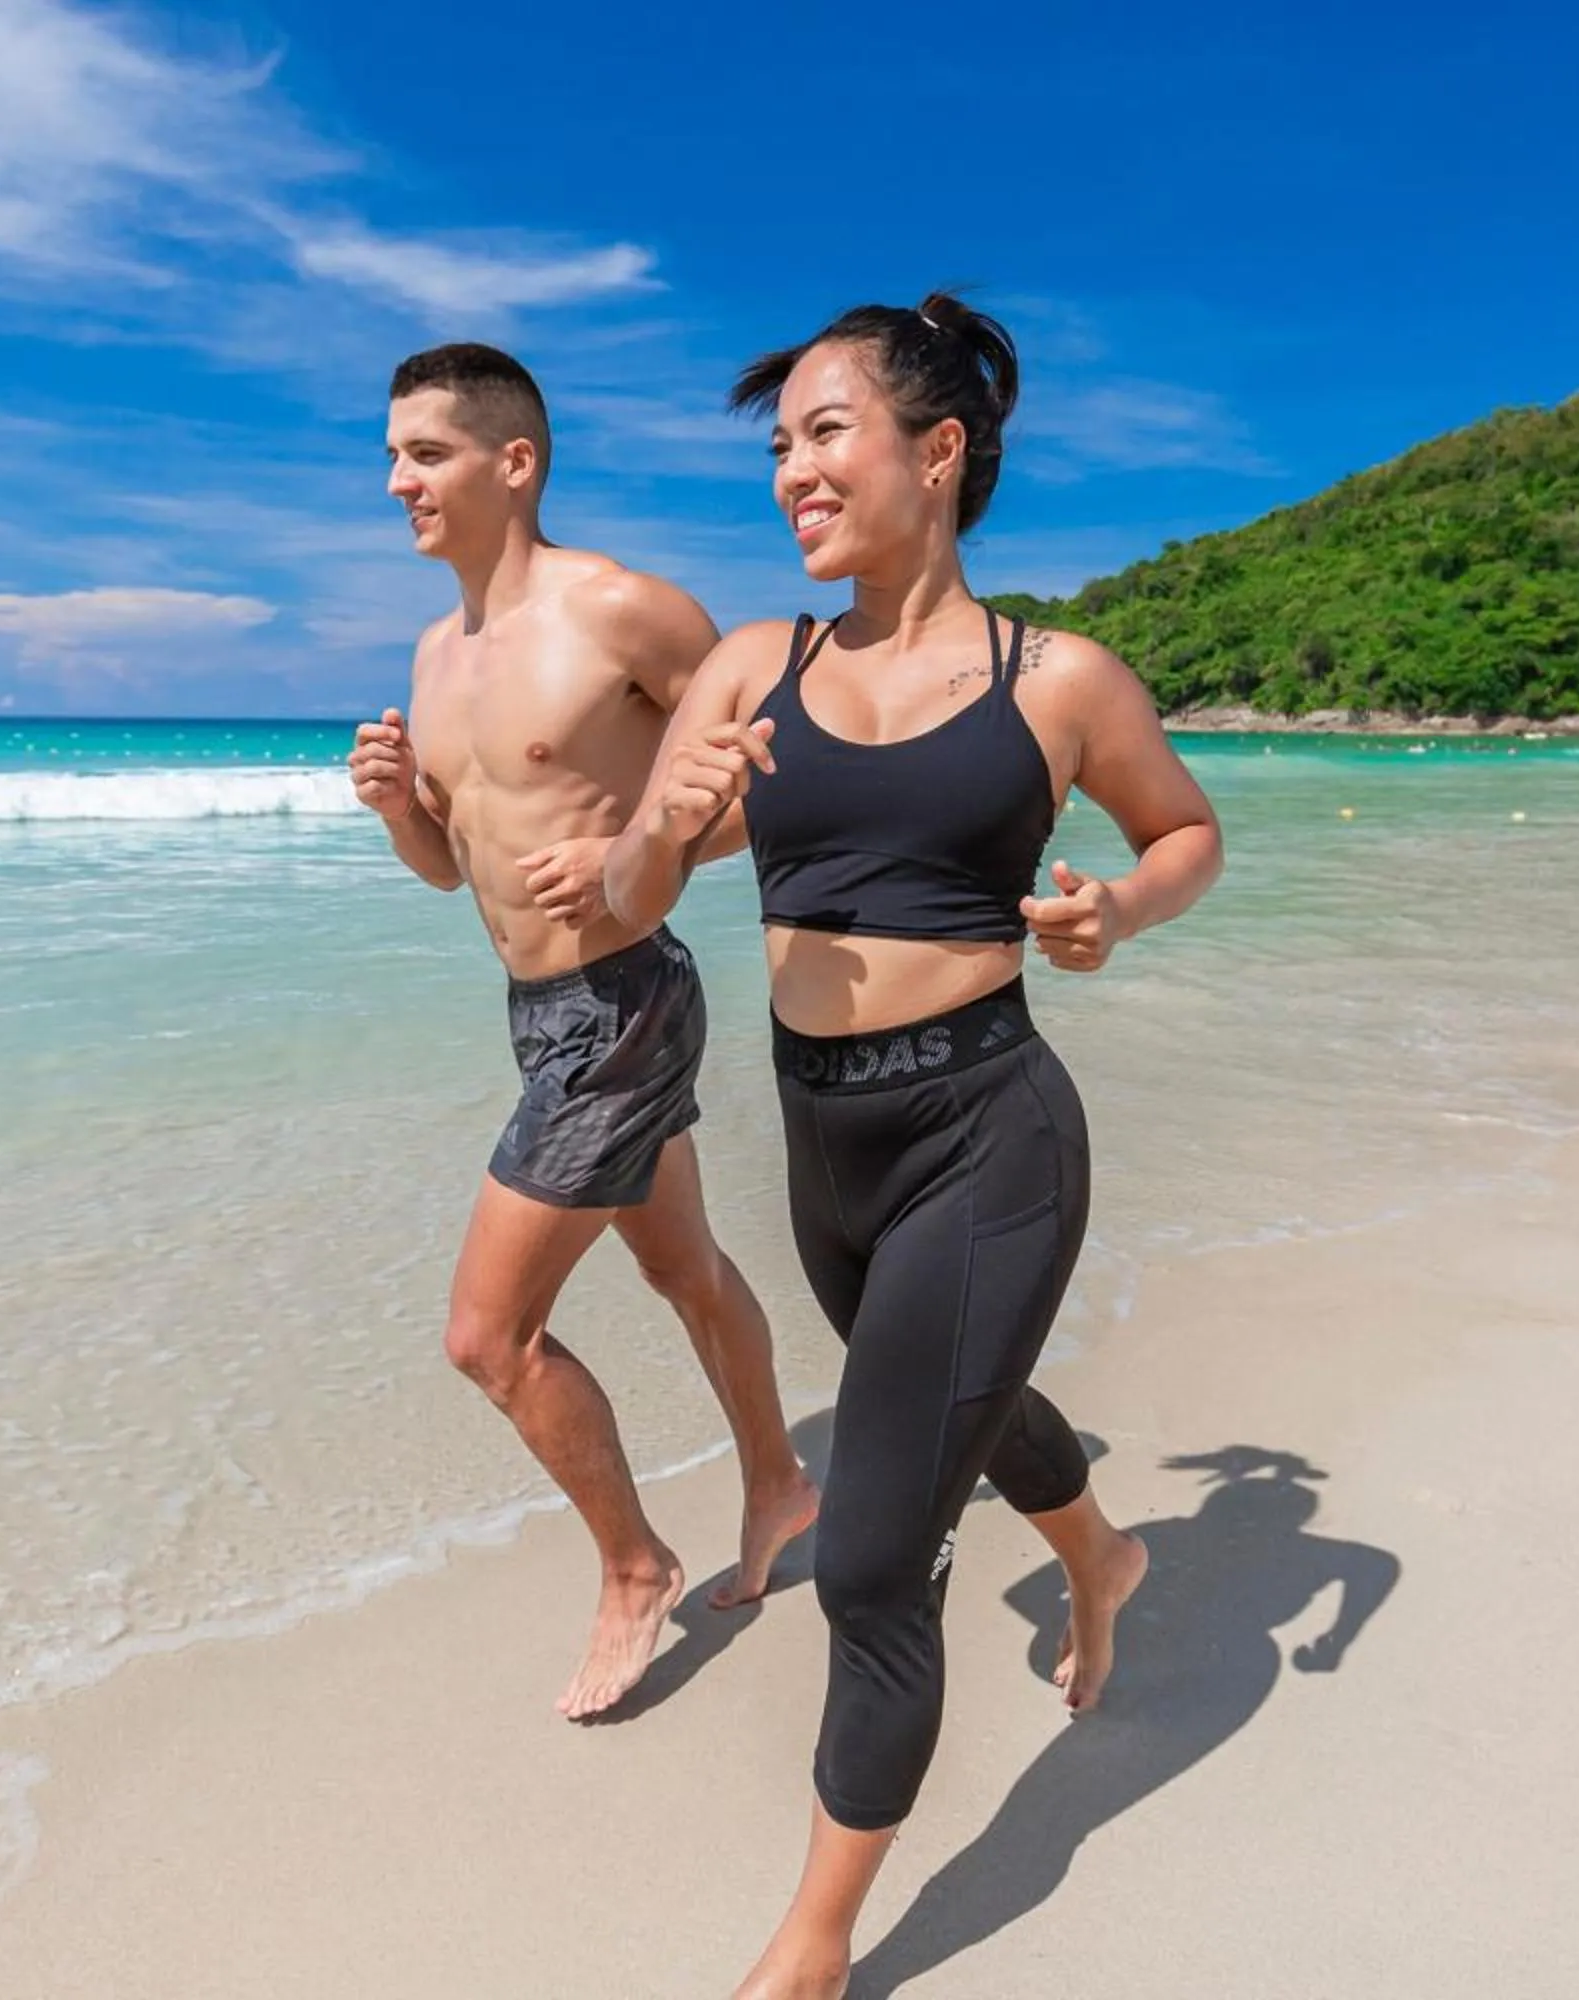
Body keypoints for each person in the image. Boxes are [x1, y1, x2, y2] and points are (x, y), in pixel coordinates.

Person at [604, 295, 1224, 1996]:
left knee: (873, 1554)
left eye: (824, 433)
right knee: (943, 1395)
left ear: (935, 453)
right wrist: (664, 820)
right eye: (779, 445)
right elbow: (630, 898)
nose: (792, 474)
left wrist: (1120, 911)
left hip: (988, 1127)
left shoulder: (1059, 681)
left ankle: (812, 1947)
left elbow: (1184, 832)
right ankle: (1103, 1552)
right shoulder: (753, 666)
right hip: (825, 1148)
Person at [352, 343, 817, 1721]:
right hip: (539, 1013)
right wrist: (397, 807)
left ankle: (633, 1566)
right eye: (389, 457)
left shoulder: (622, 611)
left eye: (424, 454)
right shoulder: (434, 658)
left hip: (624, 1007)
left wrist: (636, 852)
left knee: (487, 1338)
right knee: (685, 1268)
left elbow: (781, 775)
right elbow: (456, 870)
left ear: (514, 461)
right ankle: (783, 1484)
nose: (396, 483)